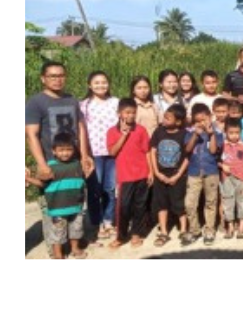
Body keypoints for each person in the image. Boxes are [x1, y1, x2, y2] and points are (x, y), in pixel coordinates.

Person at [25, 61, 94, 255]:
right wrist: (41, 164)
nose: (57, 79)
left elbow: (80, 127)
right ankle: (55, 248)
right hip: (50, 162)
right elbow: (31, 134)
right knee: (52, 208)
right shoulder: (35, 102)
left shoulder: (71, 100)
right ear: (43, 78)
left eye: (61, 75)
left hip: (72, 163)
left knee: (74, 201)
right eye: (53, 76)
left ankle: (74, 244)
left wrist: (85, 155)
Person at [106, 98, 152, 249]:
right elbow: (112, 152)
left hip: (142, 174)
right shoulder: (112, 132)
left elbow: (147, 152)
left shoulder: (141, 130)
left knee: (140, 205)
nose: (130, 115)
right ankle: (120, 236)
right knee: (123, 206)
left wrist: (150, 171)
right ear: (119, 113)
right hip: (125, 176)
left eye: (133, 112)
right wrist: (123, 136)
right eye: (127, 112)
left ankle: (136, 234)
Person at [79, 70, 120, 239]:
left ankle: (109, 220)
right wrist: (84, 153)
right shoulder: (83, 105)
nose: (101, 85)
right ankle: (96, 223)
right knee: (94, 189)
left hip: (113, 152)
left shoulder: (115, 102)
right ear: (90, 85)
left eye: (104, 82)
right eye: (96, 83)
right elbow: (80, 130)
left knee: (110, 189)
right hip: (93, 153)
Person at [39, 133, 91, 259]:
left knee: (76, 230)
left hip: (76, 206)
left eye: (69, 149)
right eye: (61, 150)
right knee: (57, 232)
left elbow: (82, 179)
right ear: (54, 151)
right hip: (57, 208)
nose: (65, 153)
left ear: (74, 150)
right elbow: (41, 183)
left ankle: (75, 248)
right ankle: (58, 254)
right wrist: (28, 178)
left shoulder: (78, 164)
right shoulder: (49, 166)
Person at [181, 104, 223, 247]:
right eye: (197, 120)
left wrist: (210, 135)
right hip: (194, 172)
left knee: (211, 202)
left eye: (203, 119)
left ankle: (210, 229)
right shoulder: (190, 132)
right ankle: (194, 230)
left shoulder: (217, 134)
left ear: (210, 118)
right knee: (189, 203)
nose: (201, 123)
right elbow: (187, 149)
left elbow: (212, 151)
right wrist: (195, 135)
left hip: (211, 172)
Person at [149, 105, 189, 247]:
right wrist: (156, 172)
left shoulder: (184, 134)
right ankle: (164, 232)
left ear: (178, 122)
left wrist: (177, 175)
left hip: (177, 175)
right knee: (161, 204)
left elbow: (186, 157)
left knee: (179, 203)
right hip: (160, 174)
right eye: (164, 116)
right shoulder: (159, 131)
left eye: (168, 118)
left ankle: (183, 230)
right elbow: (153, 151)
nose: (164, 119)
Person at [219, 118, 243, 239]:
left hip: (241, 178)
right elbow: (217, 160)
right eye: (231, 133)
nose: (234, 136)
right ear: (225, 132)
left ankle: (242, 227)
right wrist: (222, 165)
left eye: (237, 133)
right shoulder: (222, 145)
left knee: (242, 201)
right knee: (228, 202)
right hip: (227, 178)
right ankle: (230, 227)